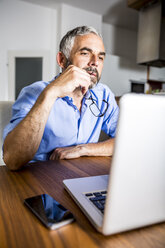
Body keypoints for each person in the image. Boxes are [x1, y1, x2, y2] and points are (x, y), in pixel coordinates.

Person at [3, 26, 119, 171]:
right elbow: (13, 160)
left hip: (83, 175)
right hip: (40, 180)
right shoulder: (34, 92)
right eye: (85, 53)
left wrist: (83, 149)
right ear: (62, 60)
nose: (95, 62)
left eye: (101, 57)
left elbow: (126, 140)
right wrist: (51, 93)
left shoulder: (104, 95)